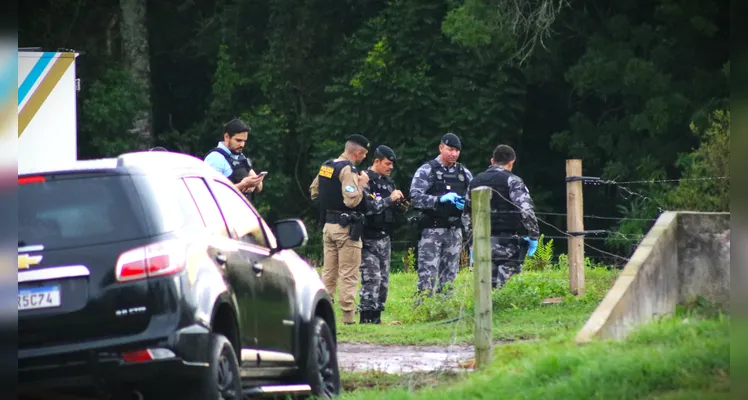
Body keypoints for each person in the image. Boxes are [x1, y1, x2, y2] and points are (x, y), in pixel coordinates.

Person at [309, 134, 371, 325]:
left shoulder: (327, 165)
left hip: (328, 226)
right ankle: (348, 318)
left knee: (328, 273)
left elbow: (314, 192)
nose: (364, 158)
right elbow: (351, 200)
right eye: (364, 154)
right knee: (348, 273)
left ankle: (322, 315)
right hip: (346, 229)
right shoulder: (348, 169)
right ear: (358, 152)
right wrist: (361, 185)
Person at [464, 144, 540, 289]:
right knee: (506, 289)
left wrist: (471, 244)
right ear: (512, 162)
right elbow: (526, 210)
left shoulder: (475, 182)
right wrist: (533, 236)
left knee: (485, 289)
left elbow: (466, 215)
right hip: (507, 242)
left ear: (492, 161)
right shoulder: (513, 181)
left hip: (482, 241)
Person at [409, 133, 473, 298]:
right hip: (432, 229)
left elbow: (472, 201)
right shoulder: (427, 170)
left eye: (457, 150)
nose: (454, 154)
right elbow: (415, 198)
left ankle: (444, 311)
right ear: (441, 148)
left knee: (450, 275)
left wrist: (465, 205)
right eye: (450, 149)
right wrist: (439, 200)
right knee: (427, 274)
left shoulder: (464, 173)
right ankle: (422, 311)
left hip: (454, 230)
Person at [358, 145, 407, 324]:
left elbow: (390, 208)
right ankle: (365, 318)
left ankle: (376, 318)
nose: (390, 167)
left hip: (384, 237)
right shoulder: (364, 180)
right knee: (372, 278)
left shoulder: (388, 183)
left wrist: (400, 206)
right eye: (387, 164)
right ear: (376, 161)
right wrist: (389, 200)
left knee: (384, 281)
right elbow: (367, 208)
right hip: (367, 237)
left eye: (392, 165)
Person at [204, 118, 264, 202]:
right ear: (227, 137)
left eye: (244, 141)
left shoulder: (240, 156)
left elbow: (260, 187)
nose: (242, 145)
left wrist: (253, 185)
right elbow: (211, 193)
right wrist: (242, 185)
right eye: (238, 140)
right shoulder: (215, 158)